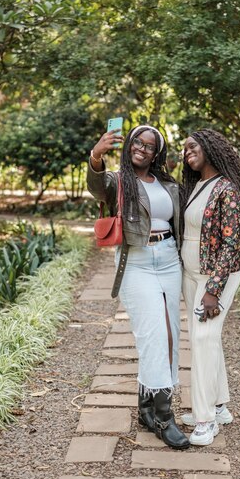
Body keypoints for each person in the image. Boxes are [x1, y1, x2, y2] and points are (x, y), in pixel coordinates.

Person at [87, 125, 190, 449]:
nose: (142, 148)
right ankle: (164, 416)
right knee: (154, 333)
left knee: (170, 334)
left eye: (149, 145)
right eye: (137, 142)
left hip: (169, 260)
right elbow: (98, 188)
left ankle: (147, 408)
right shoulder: (119, 181)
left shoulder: (168, 185)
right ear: (129, 145)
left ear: (157, 153)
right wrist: (96, 156)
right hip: (137, 262)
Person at [180, 128, 240, 446]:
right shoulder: (196, 185)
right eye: (184, 149)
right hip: (190, 274)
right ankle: (219, 405)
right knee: (207, 340)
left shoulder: (229, 189)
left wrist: (214, 288)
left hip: (216, 278)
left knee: (202, 339)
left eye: (193, 147)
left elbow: (230, 244)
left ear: (210, 148)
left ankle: (205, 420)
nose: (187, 153)